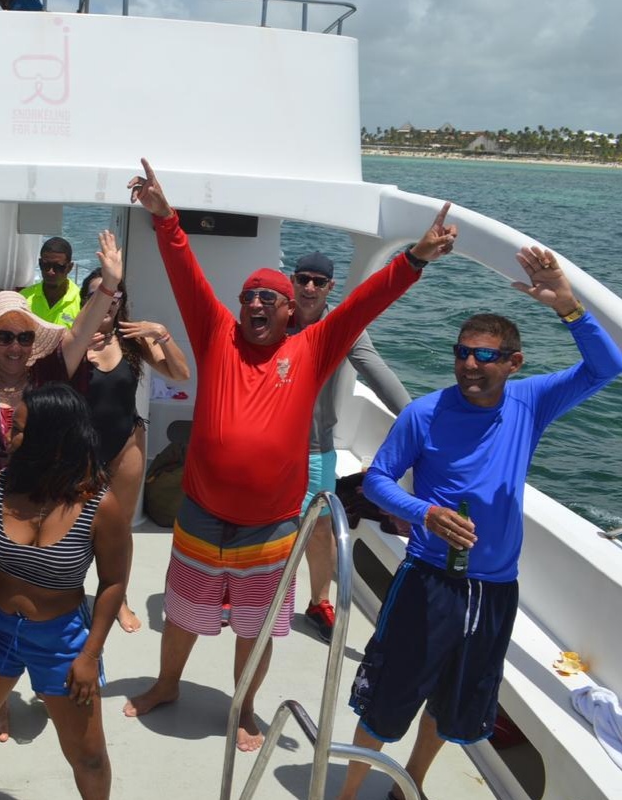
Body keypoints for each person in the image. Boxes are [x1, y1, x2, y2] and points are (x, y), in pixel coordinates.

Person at [122, 158, 457, 753]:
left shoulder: (313, 347)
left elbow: (364, 305)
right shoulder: (215, 333)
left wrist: (415, 259)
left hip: (272, 525)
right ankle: (167, 684)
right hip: (200, 514)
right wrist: (166, 217)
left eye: (268, 299)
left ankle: (244, 706)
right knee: (182, 614)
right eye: (248, 296)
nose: (256, 305)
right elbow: (185, 274)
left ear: (289, 312)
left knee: (255, 624)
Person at [335, 247, 622, 800]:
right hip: (428, 581)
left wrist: (569, 307)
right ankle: (346, 795)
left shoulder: (530, 401)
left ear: (513, 363)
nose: (470, 364)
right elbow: (377, 481)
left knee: (455, 702)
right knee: (387, 699)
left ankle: (410, 783)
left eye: (485, 356)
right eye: (462, 353)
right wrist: (428, 514)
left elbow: (607, 367)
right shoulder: (425, 412)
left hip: (493, 588)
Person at [0, 215, 122, 742]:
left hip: (47, 495)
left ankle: (46, 671)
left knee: (45, 582)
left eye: (22, 335)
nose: (14, 345)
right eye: (4, 336)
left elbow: (83, 330)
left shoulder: (51, 374)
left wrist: (108, 285)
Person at [0, 383, 130, 800]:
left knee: (90, 757)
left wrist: (90, 655)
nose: (9, 436)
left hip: (62, 641)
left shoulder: (102, 506)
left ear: (55, 439)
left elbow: (114, 583)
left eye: (21, 429)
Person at [287, 251, 412, 643]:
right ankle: (236, 588)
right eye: (303, 279)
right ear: (292, 281)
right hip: (266, 441)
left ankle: (318, 600)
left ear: (330, 287)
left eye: (318, 282)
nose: (309, 287)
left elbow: (377, 372)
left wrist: (415, 418)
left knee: (320, 526)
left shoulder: (347, 326)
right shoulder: (276, 316)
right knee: (252, 518)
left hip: (315, 446)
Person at [79, 270, 190, 632]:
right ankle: (69, 593)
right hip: (80, 448)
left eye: (113, 296)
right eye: (97, 295)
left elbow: (180, 373)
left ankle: (117, 599)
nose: (107, 302)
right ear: (86, 301)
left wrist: (161, 334)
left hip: (126, 444)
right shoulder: (74, 340)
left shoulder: (131, 340)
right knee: (74, 526)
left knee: (120, 529)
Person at [20, 237, 81, 328]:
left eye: (58, 266)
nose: (50, 272)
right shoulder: (22, 299)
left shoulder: (82, 302)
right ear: (40, 263)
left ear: (70, 267)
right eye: (45, 265)